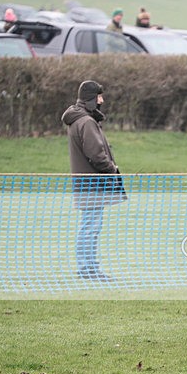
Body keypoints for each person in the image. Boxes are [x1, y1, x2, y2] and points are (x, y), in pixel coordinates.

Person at [61, 80, 127, 282]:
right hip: (92, 184)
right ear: (91, 98)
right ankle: (87, 269)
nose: (102, 100)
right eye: (99, 97)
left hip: (86, 183)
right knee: (90, 227)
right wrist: (112, 169)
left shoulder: (80, 119)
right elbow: (96, 155)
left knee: (90, 226)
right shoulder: (87, 122)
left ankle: (88, 267)